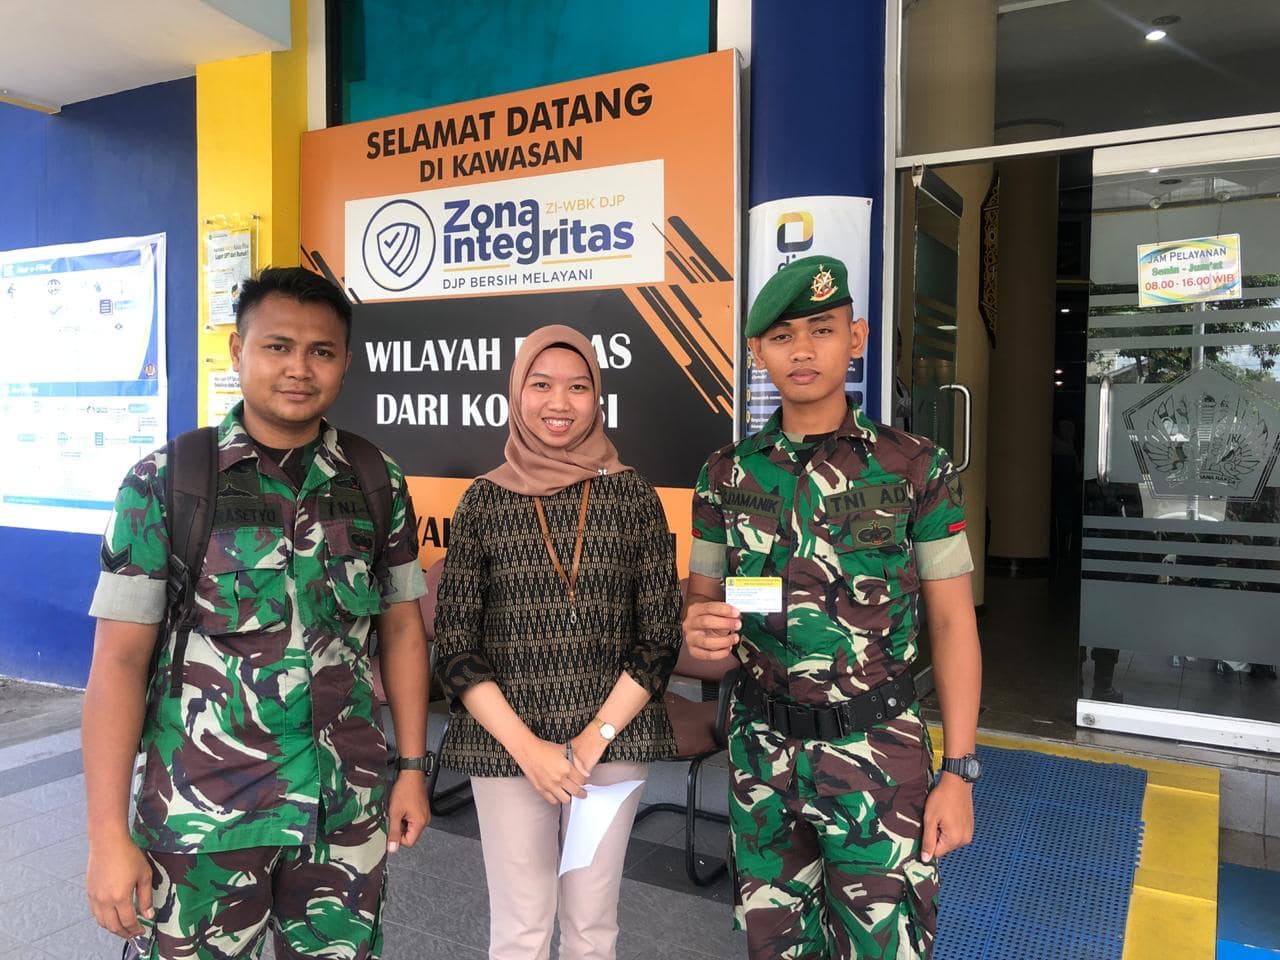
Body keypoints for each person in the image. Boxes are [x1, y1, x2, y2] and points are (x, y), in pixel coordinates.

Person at [82, 267, 431, 960]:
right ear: (238, 350)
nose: (299, 368)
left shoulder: (376, 480)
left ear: (345, 362)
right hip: (202, 823)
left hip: (344, 813)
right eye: (277, 347)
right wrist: (106, 837)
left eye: (320, 351)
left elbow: (401, 631)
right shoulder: (167, 482)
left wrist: (414, 769)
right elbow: (117, 664)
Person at [682, 256, 983, 959]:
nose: (803, 350)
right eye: (782, 336)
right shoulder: (725, 474)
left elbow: (953, 623)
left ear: (856, 338)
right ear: (757, 353)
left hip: (878, 754)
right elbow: (701, 599)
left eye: (822, 329)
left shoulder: (915, 467)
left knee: (884, 946)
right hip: (761, 754)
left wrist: (960, 772)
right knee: (776, 947)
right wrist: (696, 623)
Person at [434, 324, 681, 960]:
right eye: (541, 385)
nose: (559, 403)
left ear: (597, 397)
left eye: (577, 387)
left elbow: (658, 638)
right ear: (517, 393)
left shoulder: (633, 496)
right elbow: (456, 648)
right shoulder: (483, 502)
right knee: (519, 930)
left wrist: (590, 741)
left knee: (591, 929)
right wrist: (531, 751)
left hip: (610, 748)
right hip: (507, 749)